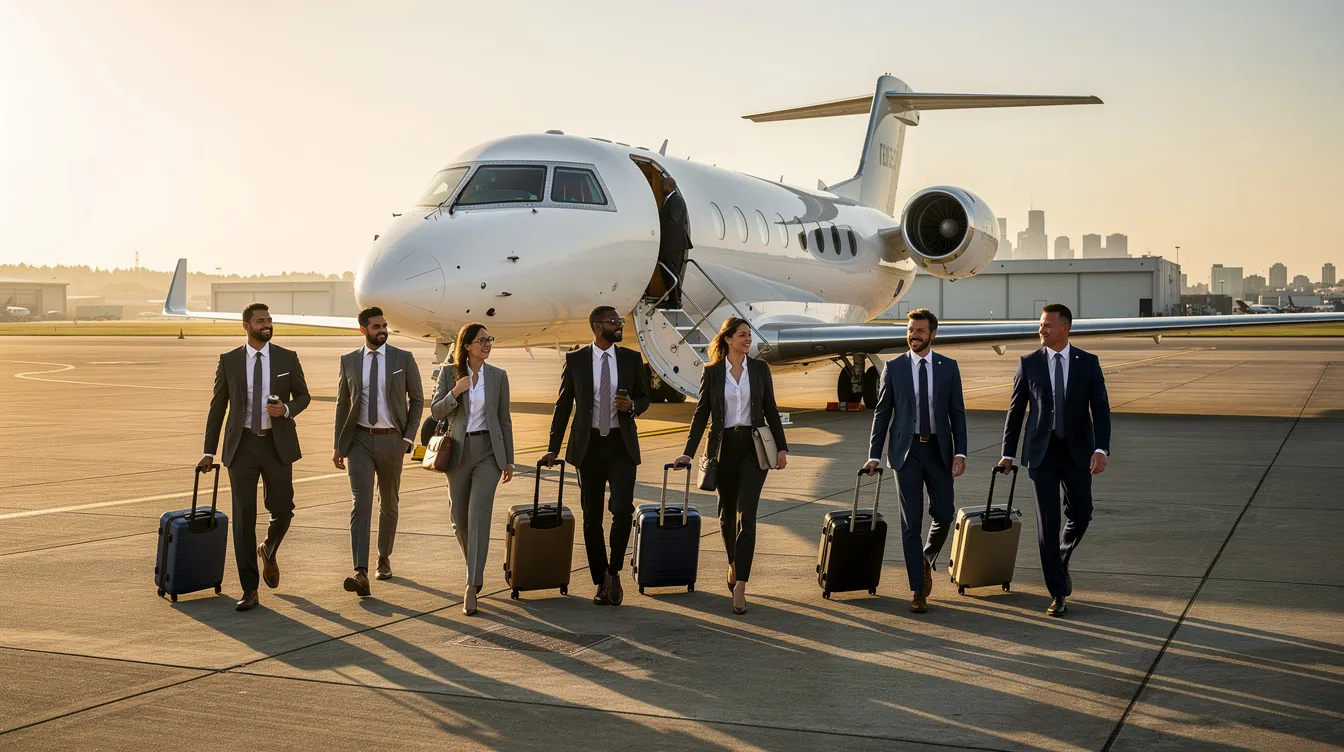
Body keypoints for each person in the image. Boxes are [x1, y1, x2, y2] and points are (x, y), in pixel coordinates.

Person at [999, 303, 1111, 618]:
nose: (1042, 329)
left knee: (1082, 515)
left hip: (1078, 452)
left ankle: (1061, 557)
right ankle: (1057, 593)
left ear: (1065, 327)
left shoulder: (1087, 363)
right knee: (1047, 525)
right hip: (1041, 455)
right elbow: (1015, 410)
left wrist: (1101, 449)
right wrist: (1008, 453)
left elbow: (1101, 409)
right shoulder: (1029, 363)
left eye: (1048, 325)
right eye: (1041, 324)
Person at [198, 303, 310, 612]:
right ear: (246, 326)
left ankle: (269, 549)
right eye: (261, 321)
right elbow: (217, 407)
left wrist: (286, 410)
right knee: (243, 520)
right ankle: (250, 588)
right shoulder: (230, 361)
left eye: (269, 320)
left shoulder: (287, 358)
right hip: (242, 446)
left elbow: (303, 396)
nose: (267, 324)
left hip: (277, 445)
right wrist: (209, 451)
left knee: (284, 510)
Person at [676, 317, 788, 615]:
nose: (747, 339)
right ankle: (733, 562)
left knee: (746, 513)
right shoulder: (712, 373)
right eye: (742, 335)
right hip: (723, 448)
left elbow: (771, 409)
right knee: (726, 515)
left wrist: (782, 447)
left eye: (749, 335)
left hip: (754, 447)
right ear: (728, 339)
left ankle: (740, 584)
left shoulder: (760, 369)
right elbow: (701, 414)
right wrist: (689, 452)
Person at [540, 306, 650, 607]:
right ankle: (601, 579)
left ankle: (614, 570)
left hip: (621, 445)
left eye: (620, 321)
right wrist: (554, 445)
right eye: (614, 322)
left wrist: (633, 406)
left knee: (622, 509)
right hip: (588, 447)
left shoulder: (630, 358)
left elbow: (644, 396)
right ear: (597, 326)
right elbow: (563, 406)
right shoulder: (575, 360)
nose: (619, 326)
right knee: (591, 518)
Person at [862, 309, 967, 614]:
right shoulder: (893, 368)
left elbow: (957, 414)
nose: (914, 335)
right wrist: (873, 455)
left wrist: (960, 452)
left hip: (939, 451)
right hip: (905, 454)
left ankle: (926, 557)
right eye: (910, 330)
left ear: (932, 335)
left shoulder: (948, 367)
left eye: (920, 331)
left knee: (945, 513)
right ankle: (917, 590)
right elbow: (882, 414)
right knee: (911, 523)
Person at [333, 306, 424, 597]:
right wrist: (338, 444)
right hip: (358, 441)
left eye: (384, 325)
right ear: (363, 330)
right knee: (361, 503)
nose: (382, 330)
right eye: (376, 326)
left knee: (389, 502)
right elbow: (342, 404)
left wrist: (408, 439)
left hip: (391, 441)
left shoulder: (403, 359)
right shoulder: (349, 361)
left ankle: (383, 557)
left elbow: (418, 399)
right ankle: (360, 571)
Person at [430, 323, 515, 616]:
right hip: (457, 452)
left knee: (478, 515)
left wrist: (509, 459)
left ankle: (471, 584)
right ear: (466, 345)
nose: (487, 344)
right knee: (459, 519)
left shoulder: (498, 377)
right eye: (481, 340)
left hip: (488, 454)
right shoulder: (448, 374)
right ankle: (474, 567)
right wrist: (455, 391)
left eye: (489, 340)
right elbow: (435, 411)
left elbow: (504, 420)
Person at [656, 176, 692, 309]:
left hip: (673, 243)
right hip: (669, 243)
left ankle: (675, 301)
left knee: (670, 271)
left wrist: (656, 222)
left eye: (662, 186)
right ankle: (673, 299)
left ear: (670, 186)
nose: (660, 188)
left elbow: (673, 221)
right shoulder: (669, 199)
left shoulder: (676, 200)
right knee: (667, 270)